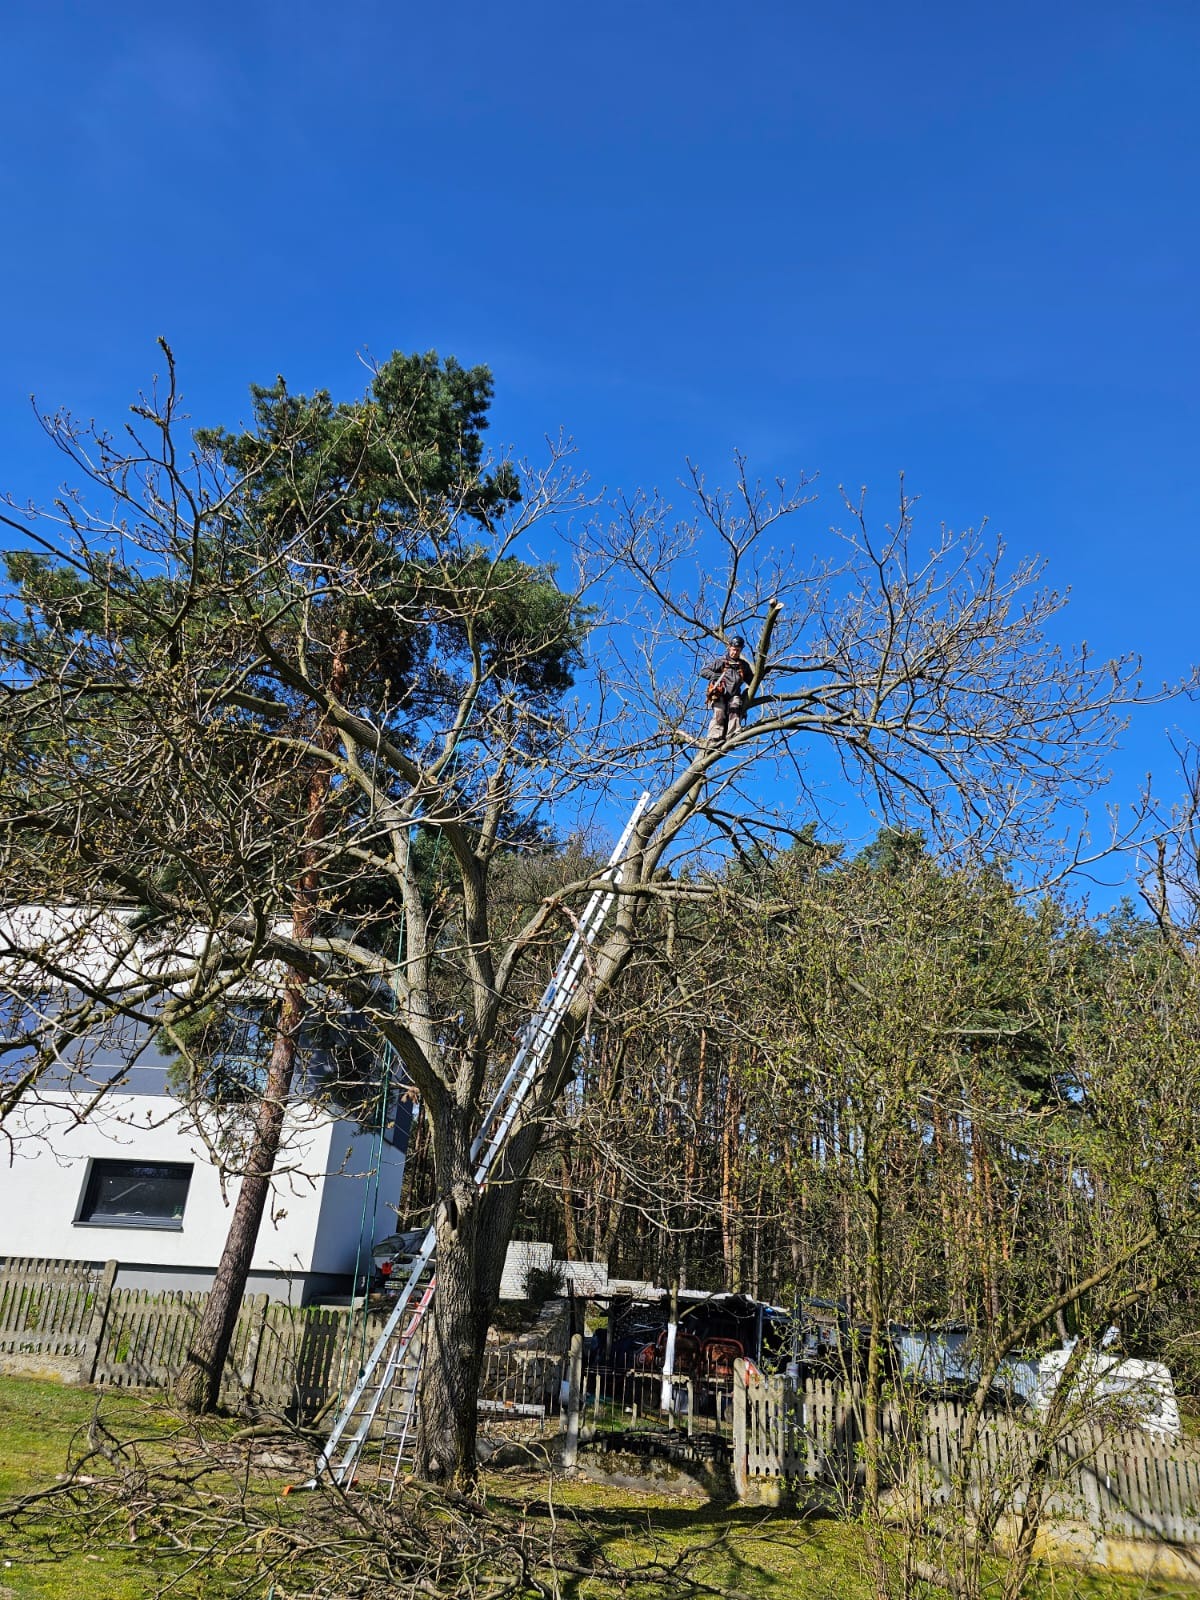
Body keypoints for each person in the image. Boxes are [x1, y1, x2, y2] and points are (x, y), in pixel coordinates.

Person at [701, 636, 753, 744]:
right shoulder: (721, 661)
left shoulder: (743, 666)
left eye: (738, 650)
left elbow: (752, 681)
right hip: (719, 694)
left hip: (734, 695)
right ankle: (713, 740)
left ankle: (733, 735)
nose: (735, 652)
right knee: (719, 714)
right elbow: (704, 671)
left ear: (741, 650)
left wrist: (761, 675)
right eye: (734, 649)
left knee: (735, 711)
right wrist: (714, 675)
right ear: (729, 647)